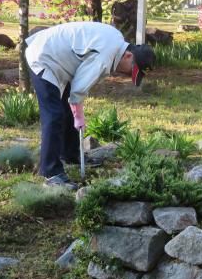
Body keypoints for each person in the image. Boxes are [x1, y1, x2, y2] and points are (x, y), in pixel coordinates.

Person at [25, 21, 155, 190]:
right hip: (44, 56)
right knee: (54, 115)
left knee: (65, 111)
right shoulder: (107, 53)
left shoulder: (115, 41)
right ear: (129, 56)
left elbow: (79, 81)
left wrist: (75, 110)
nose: (128, 74)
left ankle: (71, 154)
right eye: (132, 70)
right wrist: (79, 115)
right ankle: (51, 172)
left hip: (60, 60)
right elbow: (79, 88)